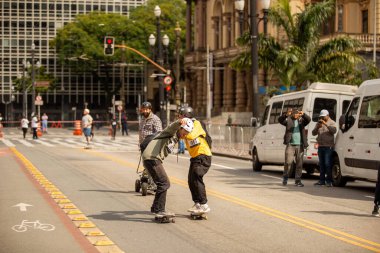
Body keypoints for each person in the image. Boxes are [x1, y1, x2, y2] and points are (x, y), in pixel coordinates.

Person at [142, 118, 193, 217]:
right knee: (164, 183)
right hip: (152, 157)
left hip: (152, 158)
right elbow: (171, 127)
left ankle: (155, 208)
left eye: (187, 133)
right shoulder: (171, 133)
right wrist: (179, 122)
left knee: (161, 183)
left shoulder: (176, 138)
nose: (185, 134)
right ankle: (160, 210)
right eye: (185, 131)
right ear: (181, 128)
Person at [178, 106, 212, 213]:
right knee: (191, 180)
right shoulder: (184, 126)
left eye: (181, 115)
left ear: (186, 116)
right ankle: (197, 203)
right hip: (195, 157)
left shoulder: (197, 124)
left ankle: (204, 204)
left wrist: (184, 131)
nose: (179, 118)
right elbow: (180, 136)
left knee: (197, 177)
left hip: (203, 155)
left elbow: (192, 135)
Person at [278, 108, 311, 187]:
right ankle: (285, 177)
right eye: (295, 113)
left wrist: (303, 114)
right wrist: (286, 115)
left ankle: (298, 181)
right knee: (288, 162)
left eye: (297, 113)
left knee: (299, 164)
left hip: (300, 145)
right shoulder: (288, 120)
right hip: (290, 145)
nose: (296, 115)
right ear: (292, 114)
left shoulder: (301, 121)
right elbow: (280, 120)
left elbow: (309, 119)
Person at [312, 109, 337, 187]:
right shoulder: (319, 123)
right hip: (321, 146)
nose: (322, 118)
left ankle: (329, 181)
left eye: (323, 116)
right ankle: (321, 181)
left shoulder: (332, 122)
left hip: (328, 146)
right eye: (321, 116)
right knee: (321, 164)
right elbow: (313, 133)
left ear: (328, 115)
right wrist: (317, 127)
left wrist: (326, 124)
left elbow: (334, 131)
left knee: (327, 164)